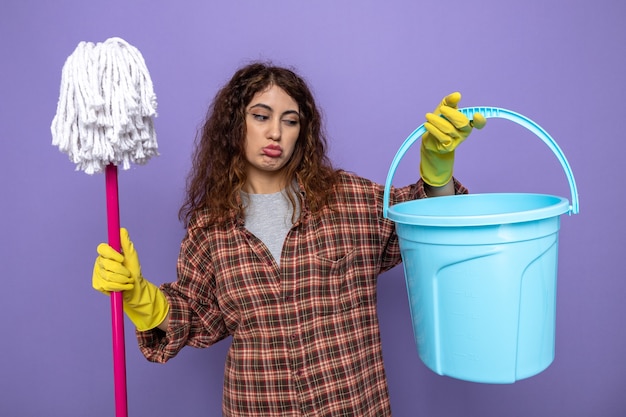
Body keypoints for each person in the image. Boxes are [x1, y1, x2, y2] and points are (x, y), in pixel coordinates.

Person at [92, 62, 485, 416]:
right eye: (260, 116)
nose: (275, 132)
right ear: (235, 126)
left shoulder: (348, 199)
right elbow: (196, 317)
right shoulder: (210, 228)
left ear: (303, 132)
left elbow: (428, 231)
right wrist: (139, 296)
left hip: (353, 404)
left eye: (290, 120)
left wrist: (437, 176)